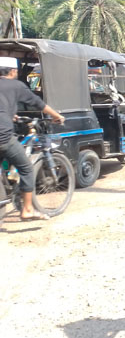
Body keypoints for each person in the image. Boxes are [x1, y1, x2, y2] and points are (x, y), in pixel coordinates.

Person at [0, 57, 65, 221]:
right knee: (27, 168)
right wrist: (57, 116)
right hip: (3, 136)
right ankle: (27, 209)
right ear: (13, 71)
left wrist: (11, 115)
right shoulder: (16, 85)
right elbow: (38, 103)